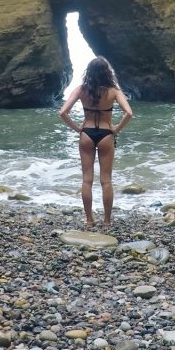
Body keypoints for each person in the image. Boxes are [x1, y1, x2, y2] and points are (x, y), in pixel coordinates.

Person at [59, 56, 133, 230]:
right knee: (106, 181)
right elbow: (129, 113)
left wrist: (78, 129)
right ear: (107, 73)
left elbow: (63, 112)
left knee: (87, 180)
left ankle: (89, 220)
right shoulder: (113, 91)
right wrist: (116, 129)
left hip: (87, 133)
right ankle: (107, 221)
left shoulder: (81, 89)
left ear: (89, 72)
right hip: (107, 133)